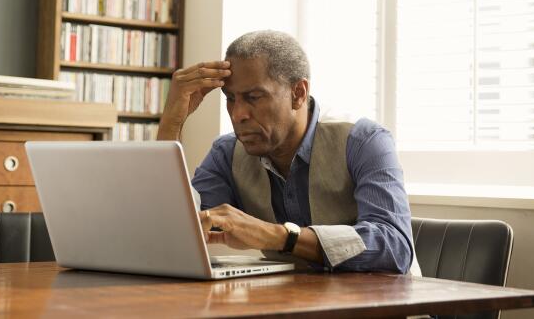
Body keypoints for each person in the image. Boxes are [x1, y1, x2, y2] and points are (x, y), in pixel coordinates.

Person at [157, 30, 413, 273]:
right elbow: (175, 232)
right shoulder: (228, 153)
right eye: (231, 98)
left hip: (387, 306)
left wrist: (278, 236)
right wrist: (172, 122)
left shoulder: (363, 141)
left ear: (298, 93)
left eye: (254, 97)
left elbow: (395, 247)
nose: (238, 115)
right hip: (295, 304)